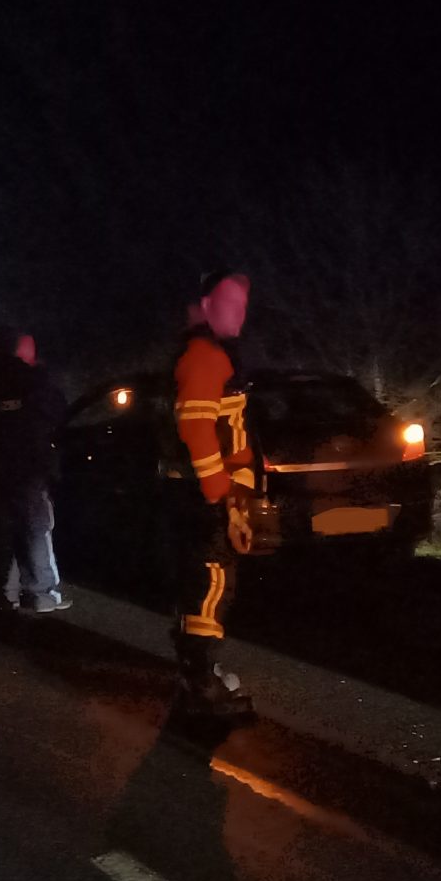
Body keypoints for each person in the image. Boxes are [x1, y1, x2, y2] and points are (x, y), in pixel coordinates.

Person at [166, 270, 256, 719]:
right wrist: (222, 494)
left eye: (242, 305)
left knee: (202, 584)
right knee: (211, 585)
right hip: (203, 498)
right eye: (228, 303)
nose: (238, 314)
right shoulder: (204, 356)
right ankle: (201, 684)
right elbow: (197, 429)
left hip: (205, 494)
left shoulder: (214, 354)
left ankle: (196, 671)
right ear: (204, 306)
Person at [0, 327, 70, 611]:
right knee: (35, 528)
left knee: (1, 530)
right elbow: (57, 413)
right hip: (27, 468)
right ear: (18, 350)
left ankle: (7, 592)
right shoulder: (31, 378)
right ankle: (41, 593)